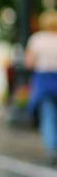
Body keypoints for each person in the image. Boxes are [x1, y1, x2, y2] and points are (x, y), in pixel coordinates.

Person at [25, 9, 57, 166]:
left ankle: (52, 149)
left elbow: (29, 63)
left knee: (48, 116)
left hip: (45, 80)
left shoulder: (37, 40)